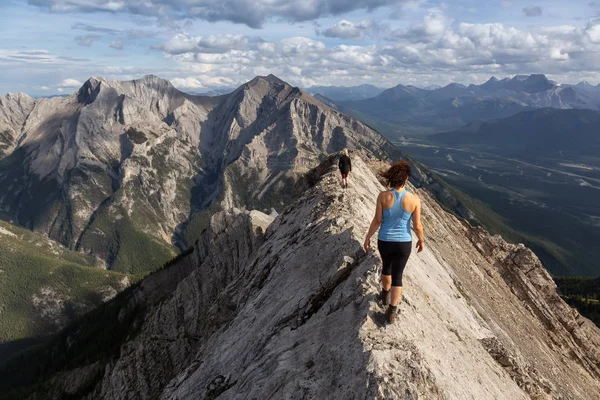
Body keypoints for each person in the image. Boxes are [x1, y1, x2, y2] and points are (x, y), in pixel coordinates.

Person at [363, 160, 424, 324]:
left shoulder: (383, 196)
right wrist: (421, 240)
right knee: (398, 275)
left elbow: (377, 220)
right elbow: (417, 225)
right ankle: (392, 309)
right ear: (406, 179)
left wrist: (368, 237)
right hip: (404, 242)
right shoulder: (414, 199)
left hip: (385, 239)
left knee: (386, 267)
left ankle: (384, 293)